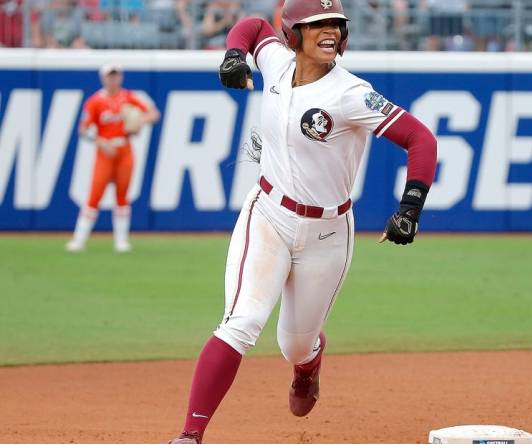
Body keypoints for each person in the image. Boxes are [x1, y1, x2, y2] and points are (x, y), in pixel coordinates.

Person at [168, 0, 437, 442]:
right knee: (241, 321)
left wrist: (410, 208)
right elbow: (253, 26)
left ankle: (308, 363)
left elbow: (419, 138)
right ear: (294, 33)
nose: (330, 31)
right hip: (268, 214)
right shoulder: (275, 63)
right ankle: (190, 435)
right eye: (318, 24)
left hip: (328, 232)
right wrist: (234, 52)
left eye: (336, 24)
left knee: (293, 345)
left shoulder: (351, 93)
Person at [66, 64, 160, 253]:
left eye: (116, 76)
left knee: (122, 196)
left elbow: (154, 114)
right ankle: (79, 240)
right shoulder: (95, 101)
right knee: (94, 196)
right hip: (105, 151)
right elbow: (83, 129)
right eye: (110, 76)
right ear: (103, 78)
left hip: (124, 149)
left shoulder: (128, 97)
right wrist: (100, 142)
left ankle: (121, 241)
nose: (113, 79)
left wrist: (137, 121)